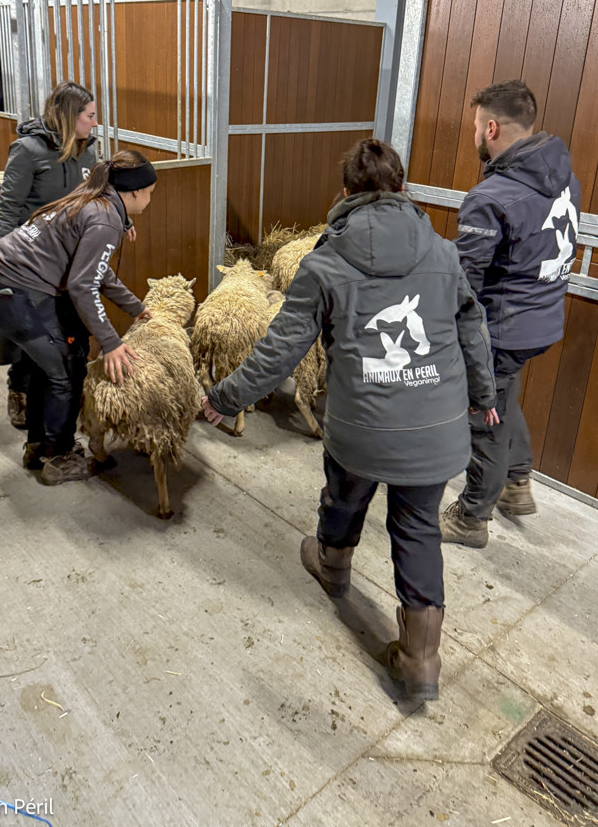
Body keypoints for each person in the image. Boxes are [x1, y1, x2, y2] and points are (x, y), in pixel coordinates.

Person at [201, 139, 497, 702]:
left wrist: (227, 397)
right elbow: (471, 329)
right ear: (404, 189)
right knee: (417, 528)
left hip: (360, 424)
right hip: (434, 428)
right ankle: (420, 660)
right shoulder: (443, 252)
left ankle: (333, 566)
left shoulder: (325, 259)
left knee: (344, 495)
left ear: (345, 193)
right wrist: (483, 397)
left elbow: (281, 348)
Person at [440, 79, 580, 549]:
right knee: (505, 394)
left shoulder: (492, 196)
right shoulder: (562, 176)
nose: (474, 135)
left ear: (492, 127)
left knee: (486, 417)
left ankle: (472, 516)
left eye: (475, 127)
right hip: (542, 316)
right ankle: (517, 484)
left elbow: (466, 281)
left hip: (502, 327)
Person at [0, 150, 157, 486]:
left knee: (60, 361)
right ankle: (58, 458)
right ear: (133, 192)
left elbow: (95, 273)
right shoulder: (105, 220)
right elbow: (83, 284)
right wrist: (112, 342)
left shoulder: (94, 199)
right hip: (14, 291)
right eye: (149, 192)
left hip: (4, 282)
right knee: (65, 371)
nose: (149, 199)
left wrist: (135, 307)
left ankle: (38, 448)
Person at [0, 82, 100, 430]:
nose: (95, 123)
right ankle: (19, 390)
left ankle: (63, 398)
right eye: (90, 116)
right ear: (71, 117)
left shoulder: (88, 151)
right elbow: (7, 209)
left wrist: (121, 219)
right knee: (33, 336)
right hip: (32, 263)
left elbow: (95, 196)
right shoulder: (28, 151)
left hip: (71, 261)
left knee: (71, 334)